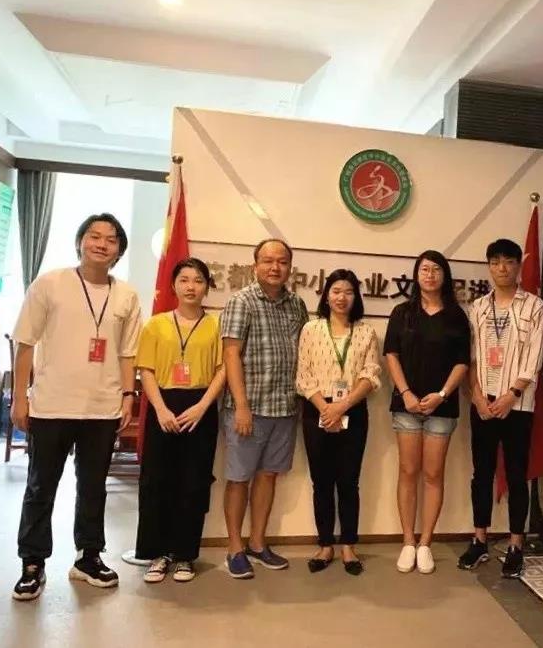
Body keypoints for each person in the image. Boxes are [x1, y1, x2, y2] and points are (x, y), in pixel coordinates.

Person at [10, 213, 142, 601]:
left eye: (111, 239)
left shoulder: (126, 296)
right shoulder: (50, 283)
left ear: (119, 250)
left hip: (102, 407)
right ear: (81, 241)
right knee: (41, 486)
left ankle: (88, 556)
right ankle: (32, 562)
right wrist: (20, 397)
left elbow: (128, 353)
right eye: (94, 236)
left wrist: (128, 396)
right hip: (51, 404)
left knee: (93, 487)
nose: (102, 244)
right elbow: (25, 343)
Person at [457, 239, 543, 578]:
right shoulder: (478, 307)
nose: (502, 268)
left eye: (509, 261)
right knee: (481, 473)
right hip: (483, 403)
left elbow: (534, 357)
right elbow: (471, 357)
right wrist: (478, 396)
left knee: (516, 475)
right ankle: (479, 540)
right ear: (489, 267)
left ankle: (515, 545)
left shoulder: (534, 306)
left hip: (517, 405)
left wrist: (511, 395)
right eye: (495, 262)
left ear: (518, 266)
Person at [220, 238, 308, 579]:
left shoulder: (297, 304)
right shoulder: (241, 301)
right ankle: (234, 548)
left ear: (290, 267)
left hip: (284, 407)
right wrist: (241, 405)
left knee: (268, 476)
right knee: (239, 478)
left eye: (282, 262)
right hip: (249, 408)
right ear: (255, 265)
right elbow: (230, 354)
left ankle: (258, 543)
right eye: (268, 261)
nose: (275, 267)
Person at [134, 258, 227, 583]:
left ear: (207, 287)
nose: (191, 286)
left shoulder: (216, 325)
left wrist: (202, 406)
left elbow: (223, 370)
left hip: (200, 406)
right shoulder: (156, 324)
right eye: (184, 279)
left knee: (194, 482)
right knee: (157, 480)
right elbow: (145, 369)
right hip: (163, 405)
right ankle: (157, 554)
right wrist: (160, 409)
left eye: (198, 280)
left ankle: (185, 554)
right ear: (173, 285)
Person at [384, 250, 470, 574]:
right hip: (406, 405)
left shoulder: (456, 316)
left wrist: (442, 394)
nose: (430, 275)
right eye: (424, 270)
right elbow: (391, 354)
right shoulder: (402, 312)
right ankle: (408, 541)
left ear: (445, 275)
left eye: (436, 269)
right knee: (408, 471)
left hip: (441, 406)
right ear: (416, 275)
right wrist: (406, 393)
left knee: (433, 474)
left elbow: (462, 362)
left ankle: (425, 544)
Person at [296, 270, 381, 575]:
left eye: (348, 291)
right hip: (316, 409)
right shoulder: (311, 329)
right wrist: (326, 409)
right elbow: (303, 376)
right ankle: (324, 545)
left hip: (353, 410)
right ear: (326, 295)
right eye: (335, 291)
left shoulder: (366, 332)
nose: (341, 297)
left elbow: (371, 374)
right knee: (321, 481)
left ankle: (348, 546)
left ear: (356, 296)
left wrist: (342, 406)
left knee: (348, 481)